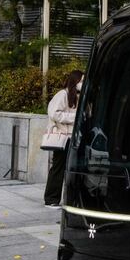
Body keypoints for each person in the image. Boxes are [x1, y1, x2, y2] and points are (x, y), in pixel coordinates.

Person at [44, 70, 84, 207]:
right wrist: (74, 118)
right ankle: (51, 199)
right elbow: (54, 113)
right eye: (81, 81)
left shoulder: (80, 96)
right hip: (63, 138)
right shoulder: (62, 94)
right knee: (58, 167)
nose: (83, 84)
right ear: (75, 81)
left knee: (74, 168)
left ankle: (72, 200)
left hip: (74, 138)